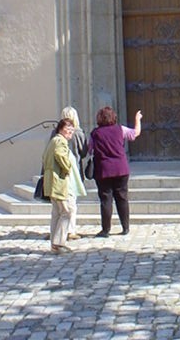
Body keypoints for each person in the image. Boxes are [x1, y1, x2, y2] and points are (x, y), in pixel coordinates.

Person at [90, 107, 142, 237]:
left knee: (106, 200)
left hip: (103, 170)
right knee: (122, 198)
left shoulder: (95, 133)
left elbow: (89, 149)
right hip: (121, 169)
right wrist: (137, 119)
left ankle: (106, 230)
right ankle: (125, 227)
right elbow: (135, 133)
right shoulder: (120, 129)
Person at [43, 118, 81, 254]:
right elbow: (60, 156)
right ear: (61, 129)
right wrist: (67, 167)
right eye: (68, 129)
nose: (70, 132)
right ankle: (58, 244)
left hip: (51, 181)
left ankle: (54, 243)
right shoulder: (60, 141)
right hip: (58, 181)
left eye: (72, 129)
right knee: (66, 212)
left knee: (57, 213)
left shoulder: (53, 141)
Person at [60, 106, 88, 240]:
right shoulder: (78, 133)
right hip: (73, 170)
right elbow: (84, 152)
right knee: (71, 202)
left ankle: (59, 230)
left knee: (59, 204)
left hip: (58, 171)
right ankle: (70, 230)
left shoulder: (55, 133)